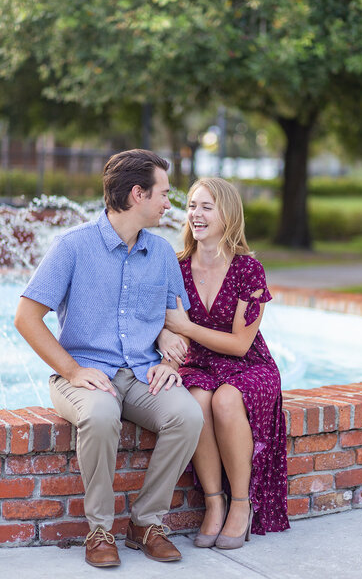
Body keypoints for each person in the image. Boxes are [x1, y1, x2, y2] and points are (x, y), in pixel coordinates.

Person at [14, 149, 203, 567]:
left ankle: (145, 522)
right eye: (163, 194)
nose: (169, 204)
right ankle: (99, 530)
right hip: (81, 375)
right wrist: (72, 369)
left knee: (187, 416)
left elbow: (178, 327)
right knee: (101, 415)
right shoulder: (72, 247)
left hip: (139, 374)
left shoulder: (162, 254)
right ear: (138, 194)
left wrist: (169, 361)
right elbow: (25, 317)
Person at [161, 177, 289, 550]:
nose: (195, 215)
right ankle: (214, 503)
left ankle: (241, 504)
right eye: (191, 206)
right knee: (197, 400)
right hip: (198, 364)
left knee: (226, 400)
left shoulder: (249, 270)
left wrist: (185, 326)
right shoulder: (177, 266)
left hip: (248, 365)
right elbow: (165, 326)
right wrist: (169, 343)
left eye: (206, 207)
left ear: (227, 214)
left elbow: (238, 343)